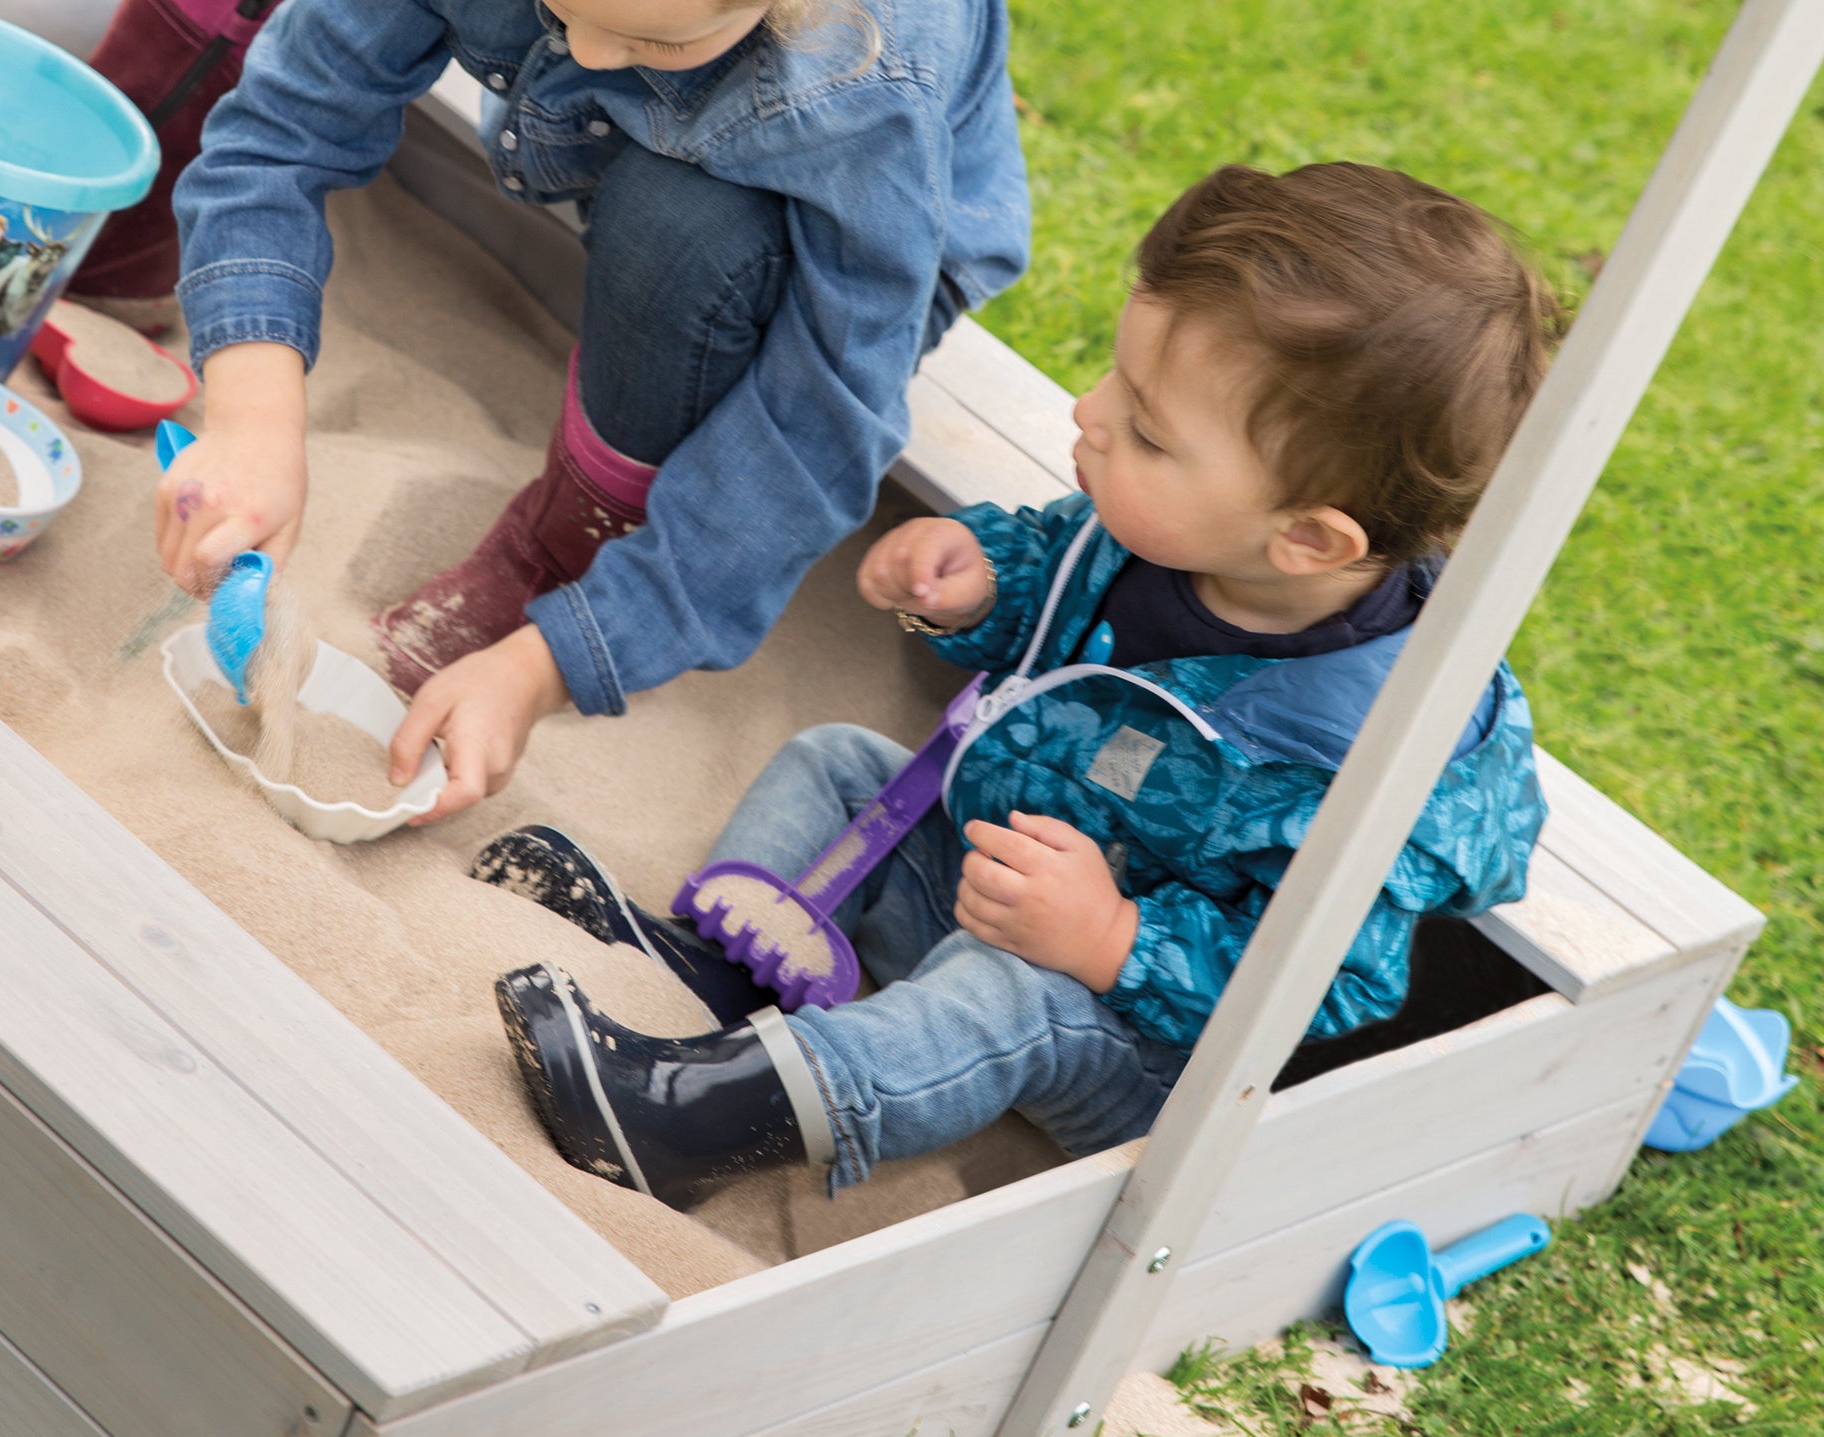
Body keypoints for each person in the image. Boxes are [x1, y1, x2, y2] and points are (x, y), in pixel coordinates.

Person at [80, 0, 1029, 817]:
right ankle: (114, 229)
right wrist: (251, 398)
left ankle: (558, 547)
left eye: (651, 32)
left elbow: (810, 439)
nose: (582, 46)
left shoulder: (856, 79)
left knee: (684, 218)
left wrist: (557, 657)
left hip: (790, 231)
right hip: (615, 79)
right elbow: (287, 121)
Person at [491, 160, 1558, 1206]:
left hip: (1121, 1035)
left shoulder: (1366, 753)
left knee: (1011, 996)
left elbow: (1320, 977)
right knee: (836, 764)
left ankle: (699, 1126)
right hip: (989, 867)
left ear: (1309, 540)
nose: (1090, 414)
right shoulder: (1170, 534)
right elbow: (1058, 567)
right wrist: (980, 577)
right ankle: (723, 972)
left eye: (1144, 427)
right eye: (1116, 380)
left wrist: (1114, 943)